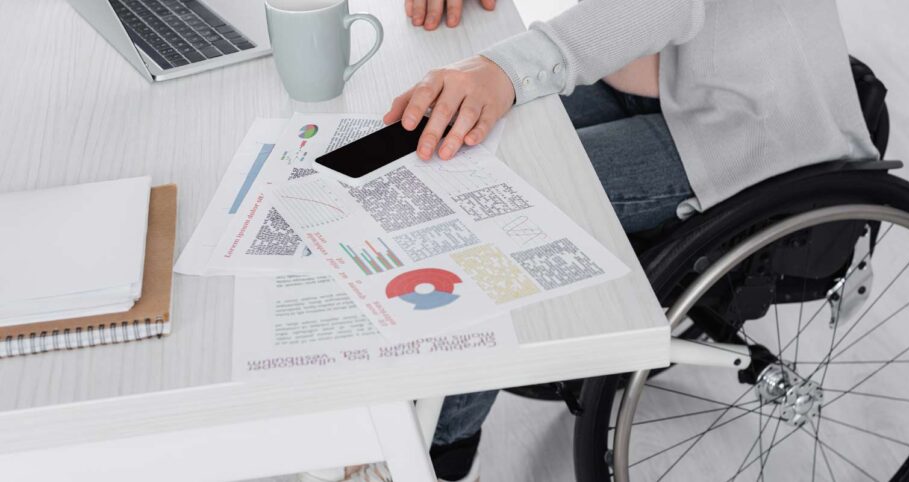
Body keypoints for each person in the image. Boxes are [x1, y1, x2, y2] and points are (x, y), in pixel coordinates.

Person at [324, 0, 878, 480]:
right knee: (453, 166)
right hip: (657, 75)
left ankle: (443, 454)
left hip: (745, 123)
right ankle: (408, 409)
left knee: (481, 216)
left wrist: (502, 68)